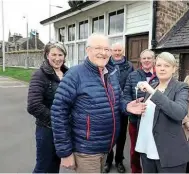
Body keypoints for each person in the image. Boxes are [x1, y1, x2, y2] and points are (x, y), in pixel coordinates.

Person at [50, 33, 146, 173]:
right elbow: (58, 113)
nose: (103, 53)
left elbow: (118, 99)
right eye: (98, 48)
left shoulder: (111, 73)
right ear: (88, 50)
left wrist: (126, 106)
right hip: (86, 150)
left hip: (105, 146)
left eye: (107, 49)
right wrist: (65, 152)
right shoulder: (74, 74)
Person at [135, 52, 189, 173]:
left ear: (174, 69)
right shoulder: (153, 85)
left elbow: (179, 112)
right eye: (159, 65)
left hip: (169, 152)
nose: (162, 68)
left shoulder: (181, 87)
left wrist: (153, 93)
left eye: (166, 65)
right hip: (146, 147)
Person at [27, 41, 68, 173]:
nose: (57, 58)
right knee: (43, 167)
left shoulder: (68, 74)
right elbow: (33, 105)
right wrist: (57, 119)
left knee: (55, 165)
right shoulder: (39, 75)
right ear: (47, 55)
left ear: (64, 56)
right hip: (47, 129)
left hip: (63, 130)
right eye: (53, 54)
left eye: (60, 54)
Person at [123, 49, 158, 173]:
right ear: (140, 60)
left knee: (154, 149)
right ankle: (136, 170)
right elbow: (126, 95)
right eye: (144, 58)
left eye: (149, 58)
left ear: (154, 59)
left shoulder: (160, 75)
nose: (147, 60)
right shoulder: (133, 75)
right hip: (136, 120)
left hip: (156, 122)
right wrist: (131, 104)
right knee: (135, 150)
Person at [104, 43, 134, 173]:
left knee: (121, 135)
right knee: (109, 134)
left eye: (119, 50)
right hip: (108, 105)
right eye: (114, 50)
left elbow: (131, 83)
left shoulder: (130, 66)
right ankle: (108, 161)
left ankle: (119, 160)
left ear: (123, 51)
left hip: (123, 105)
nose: (117, 52)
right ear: (111, 51)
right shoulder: (105, 64)